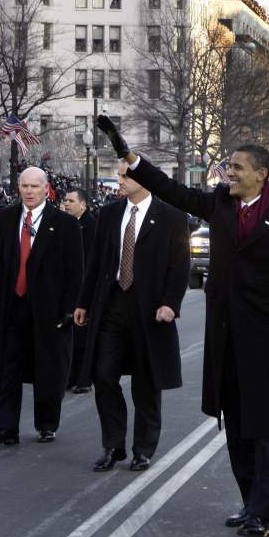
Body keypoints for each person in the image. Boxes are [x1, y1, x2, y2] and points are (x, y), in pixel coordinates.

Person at [96, 115, 269, 537]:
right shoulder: (218, 205)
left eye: (237, 168)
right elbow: (171, 189)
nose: (228, 172)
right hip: (226, 340)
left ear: (261, 174)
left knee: (265, 431)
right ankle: (251, 501)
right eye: (228, 167)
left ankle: (262, 512)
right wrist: (128, 154)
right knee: (234, 429)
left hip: (268, 343)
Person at [74, 162, 190, 472]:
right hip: (112, 307)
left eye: (125, 175)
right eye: (119, 175)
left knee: (146, 382)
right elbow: (96, 262)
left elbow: (180, 267)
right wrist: (83, 302)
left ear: (144, 180)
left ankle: (143, 449)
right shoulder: (110, 215)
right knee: (103, 375)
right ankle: (113, 445)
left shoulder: (171, 217)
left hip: (150, 312)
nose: (119, 180)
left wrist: (170, 304)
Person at [0, 167, 83, 446]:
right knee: (7, 367)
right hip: (10, 306)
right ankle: (6, 429)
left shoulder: (64, 224)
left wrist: (70, 308)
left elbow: (75, 271)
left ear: (46, 189)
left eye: (34, 186)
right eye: (24, 186)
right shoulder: (3, 219)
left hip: (49, 310)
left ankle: (46, 424)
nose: (28, 191)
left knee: (47, 368)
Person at [62, 189, 98, 393]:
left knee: (82, 334)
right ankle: (72, 375)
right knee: (71, 333)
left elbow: (90, 260)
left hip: (84, 287)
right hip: (69, 285)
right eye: (65, 200)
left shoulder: (90, 225)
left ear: (83, 205)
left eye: (71, 201)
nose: (66, 204)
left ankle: (84, 379)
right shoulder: (67, 224)